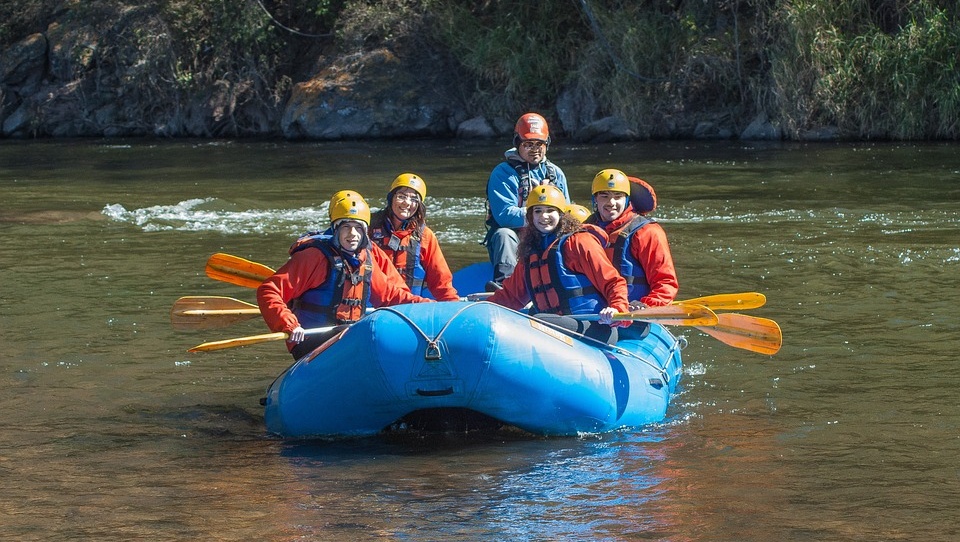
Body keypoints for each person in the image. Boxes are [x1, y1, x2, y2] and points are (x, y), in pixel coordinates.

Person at [257, 193, 433, 359]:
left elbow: (391, 297)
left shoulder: (366, 259)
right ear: (336, 229)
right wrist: (289, 324)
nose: (353, 235)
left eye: (358, 228)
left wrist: (431, 307)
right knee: (359, 337)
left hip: (347, 337)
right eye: (346, 227)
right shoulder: (314, 257)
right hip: (311, 341)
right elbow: (268, 291)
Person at [486, 185, 630, 344]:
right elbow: (510, 296)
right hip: (554, 327)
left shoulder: (579, 242)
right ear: (530, 216)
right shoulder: (530, 251)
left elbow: (613, 282)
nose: (544, 216)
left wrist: (617, 308)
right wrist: (482, 311)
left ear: (561, 215)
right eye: (538, 211)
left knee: (535, 320)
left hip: (594, 327)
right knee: (531, 316)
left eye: (550, 210)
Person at [483, 112, 570, 291]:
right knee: (503, 234)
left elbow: (567, 213)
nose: (535, 149)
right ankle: (505, 286)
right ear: (517, 143)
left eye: (540, 144)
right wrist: (538, 209)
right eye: (528, 144)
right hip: (515, 238)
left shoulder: (556, 173)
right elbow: (505, 216)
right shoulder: (503, 173)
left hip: (548, 235)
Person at [585, 168, 679, 308]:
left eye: (618, 196)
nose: (611, 202)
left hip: (634, 312)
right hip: (596, 312)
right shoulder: (585, 230)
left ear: (627, 199)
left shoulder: (647, 232)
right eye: (604, 196)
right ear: (595, 200)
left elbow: (665, 282)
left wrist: (646, 307)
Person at [369, 173, 459, 301]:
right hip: (371, 308)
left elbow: (441, 281)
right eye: (401, 196)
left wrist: (452, 305)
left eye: (414, 199)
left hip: (409, 307)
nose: (407, 203)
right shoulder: (368, 229)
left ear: (419, 206)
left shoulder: (425, 236)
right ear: (391, 198)